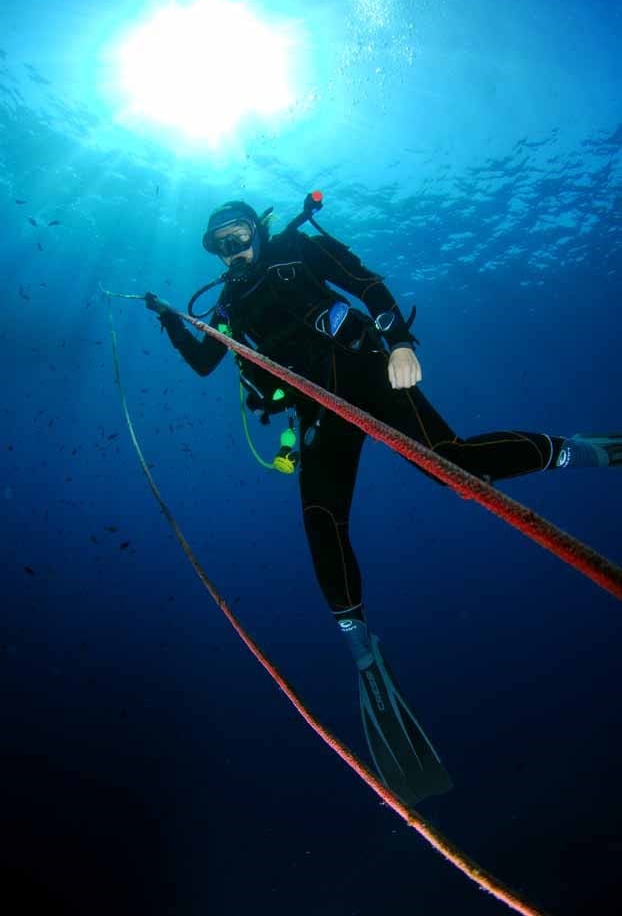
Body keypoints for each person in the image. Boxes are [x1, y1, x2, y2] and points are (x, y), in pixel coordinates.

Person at [145, 198, 620, 807]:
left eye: (236, 237)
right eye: (218, 246)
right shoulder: (230, 301)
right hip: (318, 410)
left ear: (257, 230)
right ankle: (362, 650)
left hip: (370, 371)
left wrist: (398, 340)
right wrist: (167, 318)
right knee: (320, 521)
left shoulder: (297, 249)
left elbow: (366, 283)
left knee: (455, 468)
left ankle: (587, 451)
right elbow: (207, 362)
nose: (230, 252)